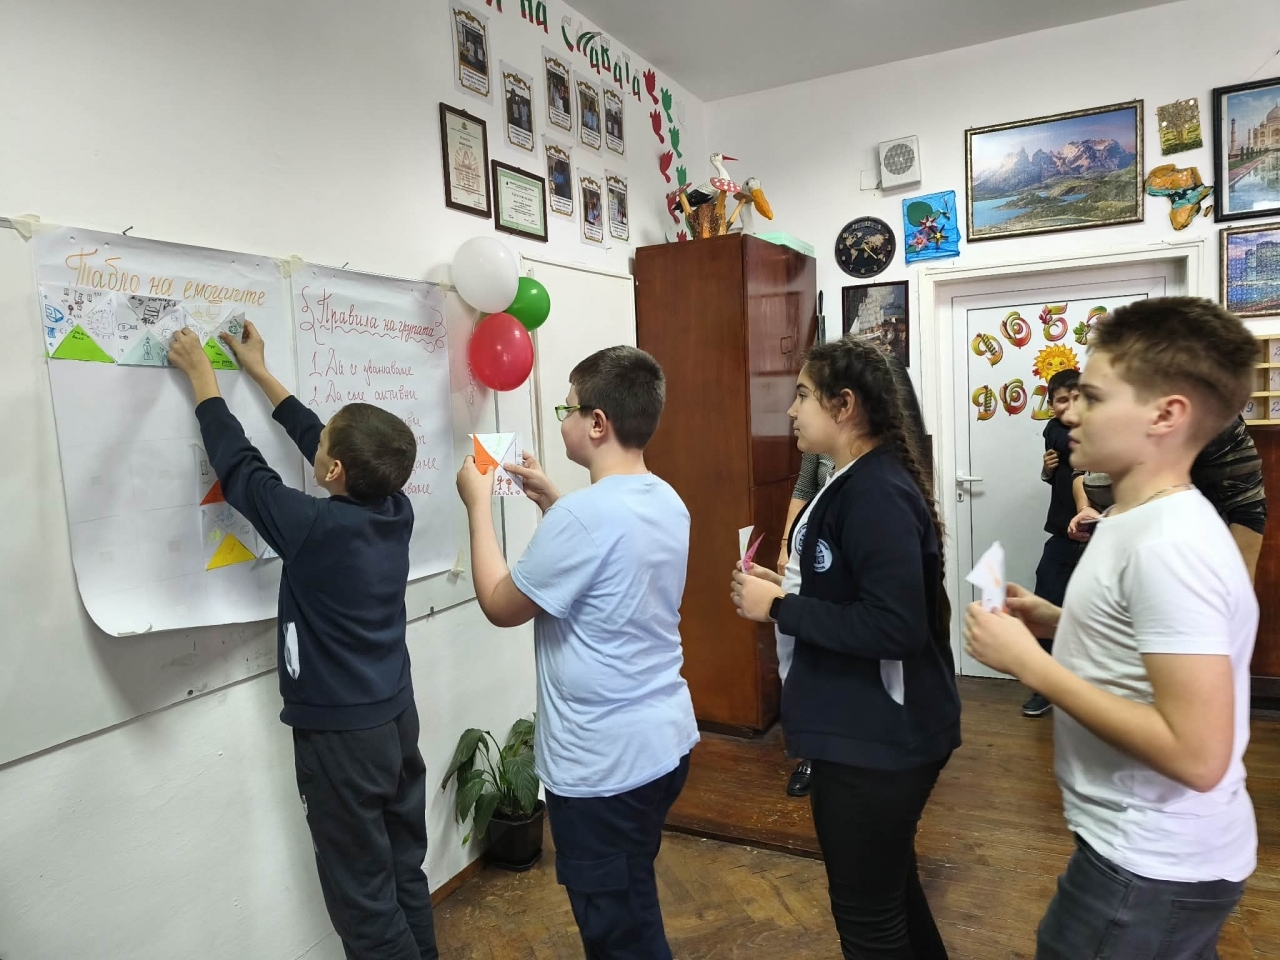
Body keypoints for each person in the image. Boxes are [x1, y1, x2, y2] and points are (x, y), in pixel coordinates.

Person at [964, 297, 1259, 960]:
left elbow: (1198, 755)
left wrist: (1032, 665)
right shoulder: (1132, 518)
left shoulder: (1171, 545)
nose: (1069, 413)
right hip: (1137, 856)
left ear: (1166, 415)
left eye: (1092, 398)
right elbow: (1145, 644)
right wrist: (1055, 620)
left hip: (1150, 867)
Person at [168, 324, 438, 960]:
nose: (315, 442)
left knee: (364, 905)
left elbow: (243, 471)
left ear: (334, 470)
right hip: (396, 719)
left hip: (344, 739)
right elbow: (321, 437)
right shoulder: (394, 508)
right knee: (403, 870)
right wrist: (260, 372)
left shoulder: (314, 527)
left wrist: (204, 380)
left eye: (323, 446)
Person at [455, 345, 699, 959]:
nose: (561, 418)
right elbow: (608, 557)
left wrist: (478, 506)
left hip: (603, 768)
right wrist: (551, 501)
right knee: (632, 899)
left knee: (620, 936)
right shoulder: (666, 499)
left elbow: (500, 604)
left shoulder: (584, 519)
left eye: (568, 407)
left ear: (597, 423)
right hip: (662, 745)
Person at [732, 339, 960, 960]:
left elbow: (893, 627)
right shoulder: (852, 481)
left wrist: (779, 608)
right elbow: (850, 589)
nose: (791, 411)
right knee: (891, 895)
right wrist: (787, 589)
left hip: (878, 742)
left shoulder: (876, 490)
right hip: (864, 734)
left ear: (845, 405)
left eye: (803, 395)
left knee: (868, 921)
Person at [1070, 414, 1266, 580]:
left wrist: (1236, 594)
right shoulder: (1105, 414)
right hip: (1110, 561)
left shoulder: (1208, 413)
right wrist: (1084, 507)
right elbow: (1081, 468)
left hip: (1180, 569)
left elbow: (1247, 508)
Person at [1023, 368, 1084, 718]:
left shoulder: (1101, 430)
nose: (1070, 407)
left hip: (1099, 536)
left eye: (1078, 398)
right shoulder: (1055, 430)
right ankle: (1044, 687)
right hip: (1062, 535)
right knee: (1043, 606)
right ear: (1051, 404)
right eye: (1062, 400)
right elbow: (1062, 465)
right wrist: (1047, 471)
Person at [773, 451, 834, 797]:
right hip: (810, 554)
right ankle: (811, 754)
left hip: (834, 564)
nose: (794, 423)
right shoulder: (816, 446)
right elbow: (803, 489)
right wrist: (787, 547)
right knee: (800, 656)